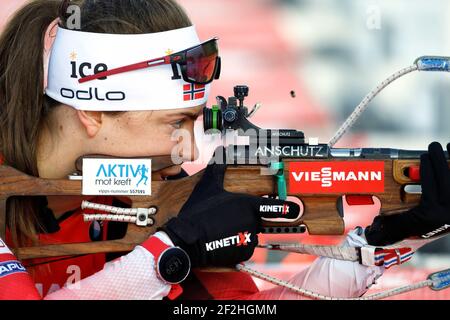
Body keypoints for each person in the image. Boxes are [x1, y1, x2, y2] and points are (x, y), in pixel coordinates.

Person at [0, 0, 449, 300]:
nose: (190, 147)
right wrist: (168, 253)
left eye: (194, 121)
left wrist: (378, 243)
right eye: (174, 124)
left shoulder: (142, 197)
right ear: (92, 114)